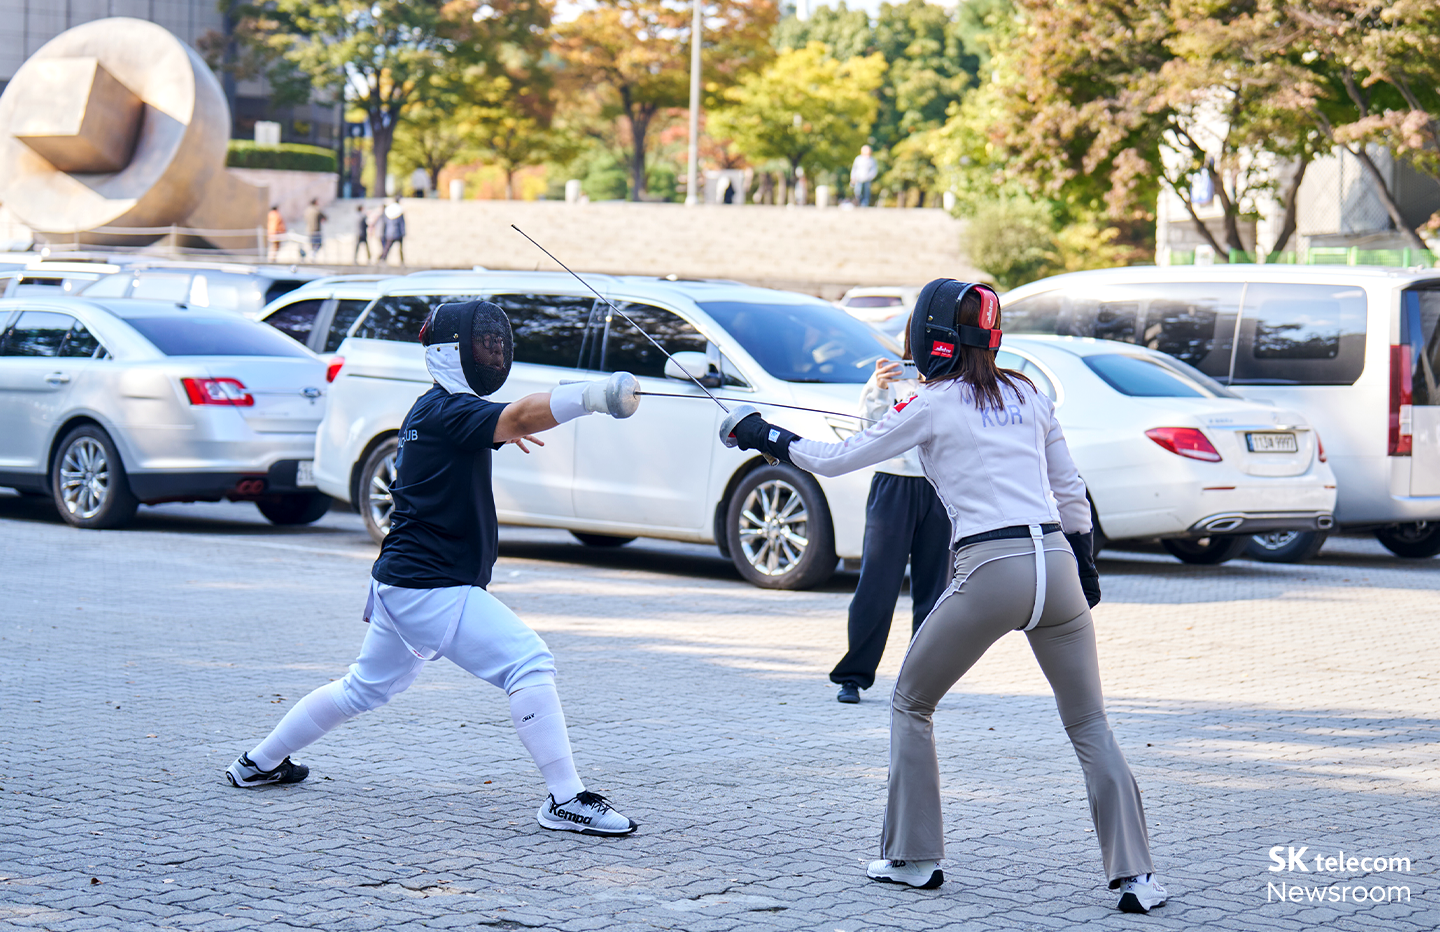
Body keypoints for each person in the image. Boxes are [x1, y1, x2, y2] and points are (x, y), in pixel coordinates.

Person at [719, 280, 1165, 914]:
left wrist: (764, 433)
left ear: (930, 338)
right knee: (1090, 723)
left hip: (992, 570)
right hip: (1058, 565)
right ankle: (1138, 878)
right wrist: (1086, 570)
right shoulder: (1029, 394)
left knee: (911, 701)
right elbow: (1070, 493)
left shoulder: (930, 403)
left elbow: (839, 458)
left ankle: (914, 859)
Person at [226, 300, 645, 838]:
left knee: (363, 689)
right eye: (484, 346)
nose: (494, 354)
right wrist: (595, 396)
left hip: (402, 582)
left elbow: (496, 423)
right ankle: (565, 800)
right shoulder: (448, 413)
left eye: (498, 346)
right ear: (453, 353)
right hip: (429, 586)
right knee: (529, 663)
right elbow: (516, 414)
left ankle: (256, 764)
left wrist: (497, 427)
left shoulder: (434, 410)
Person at [830, 340, 950, 705]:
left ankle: (923, 681)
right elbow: (867, 430)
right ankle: (853, 676)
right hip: (893, 483)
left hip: (940, 486)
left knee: (934, 591)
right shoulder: (892, 376)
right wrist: (879, 388)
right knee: (877, 584)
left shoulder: (954, 380)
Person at [381, 199, 406, 264]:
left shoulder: (389, 211)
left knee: (387, 248)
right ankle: (402, 261)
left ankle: (383, 259)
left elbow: (385, 223)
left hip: (389, 233)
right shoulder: (399, 212)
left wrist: (384, 232)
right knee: (400, 249)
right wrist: (403, 233)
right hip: (398, 233)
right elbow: (402, 223)